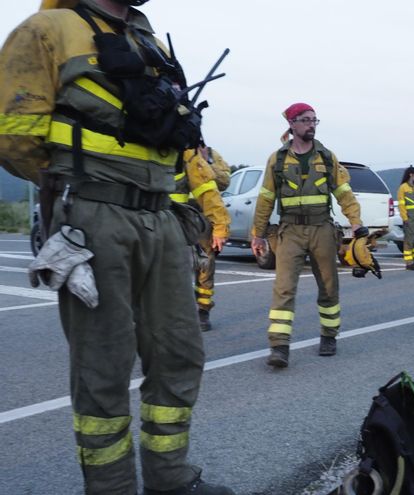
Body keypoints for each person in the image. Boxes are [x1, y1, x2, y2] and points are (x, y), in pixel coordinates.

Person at [0, 1, 234, 493]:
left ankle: (169, 479)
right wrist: (71, 189)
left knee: (179, 353)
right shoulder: (49, 29)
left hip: (161, 215)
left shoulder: (146, 41)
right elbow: (13, 135)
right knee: (102, 365)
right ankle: (112, 488)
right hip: (94, 214)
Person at [251, 102, 364, 368]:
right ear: (291, 124)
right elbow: (265, 199)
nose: (311, 124)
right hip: (289, 231)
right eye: (305, 120)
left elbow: (344, 193)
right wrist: (258, 234)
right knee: (284, 288)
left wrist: (356, 223)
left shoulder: (326, 156)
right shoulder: (277, 160)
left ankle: (329, 336)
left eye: (314, 120)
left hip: (322, 228)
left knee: (328, 286)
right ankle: (279, 346)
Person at [173, 147, 231, 332]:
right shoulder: (172, 149)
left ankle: (203, 310)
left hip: (202, 218)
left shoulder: (212, 155)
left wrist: (207, 163)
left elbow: (224, 181)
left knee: (205, 265)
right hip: (175, 216)